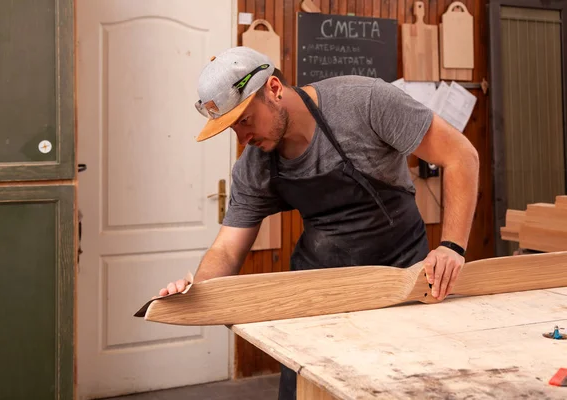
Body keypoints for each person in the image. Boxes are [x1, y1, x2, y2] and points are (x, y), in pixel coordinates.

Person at [158, 46, 479, 399]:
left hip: (402, 277)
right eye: (232, 129)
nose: (243, 139)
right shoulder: (255, 166)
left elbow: (461, 155)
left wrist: (451, 247)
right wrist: (197, 291)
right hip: (321, 292)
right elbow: (226, 249)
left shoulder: (364, 101)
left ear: (274, 89)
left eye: (245, 121)